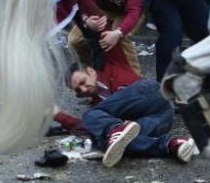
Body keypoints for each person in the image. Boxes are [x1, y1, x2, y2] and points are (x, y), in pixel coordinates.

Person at [66, 59, 196, 167]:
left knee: (90, 117)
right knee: (120, 143)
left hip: (151, 93)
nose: (83, 90)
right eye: (78, 91)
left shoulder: (112, 64)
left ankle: (114, 128)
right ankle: (174, 144)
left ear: (91, 71)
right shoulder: (98, 103)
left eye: (83, 82)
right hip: (162, 117)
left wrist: (118, 32)